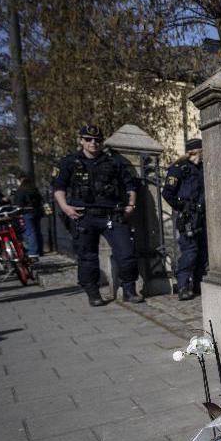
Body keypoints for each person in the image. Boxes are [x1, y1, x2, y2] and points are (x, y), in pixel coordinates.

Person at [51, 124, 142, 306]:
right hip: (84, 215)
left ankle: (129, 291)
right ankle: (93, 293)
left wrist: (131, 205)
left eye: (97, 140)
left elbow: (130, 185)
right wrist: (65, 207)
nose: (93, 143)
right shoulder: (69, 162)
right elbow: (58, 187)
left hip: (112, 215)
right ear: (81, 141)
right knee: (87, 256)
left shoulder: (113, 162)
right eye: (88, 139)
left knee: (126, 252)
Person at [162, 138, 206, 300]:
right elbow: (167, 193)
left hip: (203, 215)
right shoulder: (179, 168)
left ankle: (197, 285)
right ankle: (182, 286)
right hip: (187, 216)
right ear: (197, 151)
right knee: (190, 252)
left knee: (203, 251)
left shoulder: (202, 168)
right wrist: (182, 207)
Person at [12, 174, 43, 260]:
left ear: (20, 181)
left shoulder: (21, 190)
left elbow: (18, 204)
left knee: (30, 233)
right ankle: (39, 250)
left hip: (27, 213)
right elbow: (40, 200)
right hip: (37, 212)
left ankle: (33, 252)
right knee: (38, 232)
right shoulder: (34, 189)